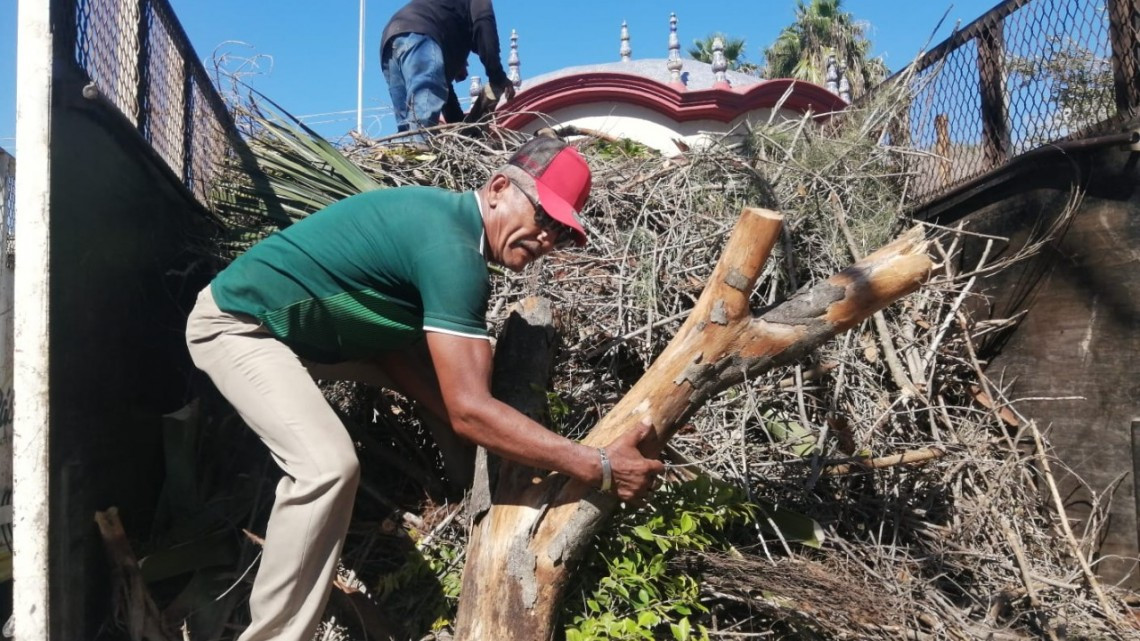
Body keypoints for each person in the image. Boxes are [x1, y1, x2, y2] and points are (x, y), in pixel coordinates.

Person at [184, 137, 664, 641]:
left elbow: (411, 364)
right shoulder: (452, 250)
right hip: (241, 324)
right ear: (498, 187)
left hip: (334, 338)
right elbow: (471, 411)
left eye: (562, 233)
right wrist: (598, 465)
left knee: (459, 401)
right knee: (327, 468)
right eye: (543, 218)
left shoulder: (455, 233)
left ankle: (463, 505)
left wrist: (475, 428)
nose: (547, 239)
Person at [381, 0, 517, 138]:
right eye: (465, 65)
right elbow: (485, 29)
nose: (463, 75)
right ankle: (419, 144)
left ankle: (408, 151)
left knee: (406, 127)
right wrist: (498, 77)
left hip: (390, 40)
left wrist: (465, 130)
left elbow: (448, 102)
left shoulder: (445, 20)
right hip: (420, 35)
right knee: (422, 125)